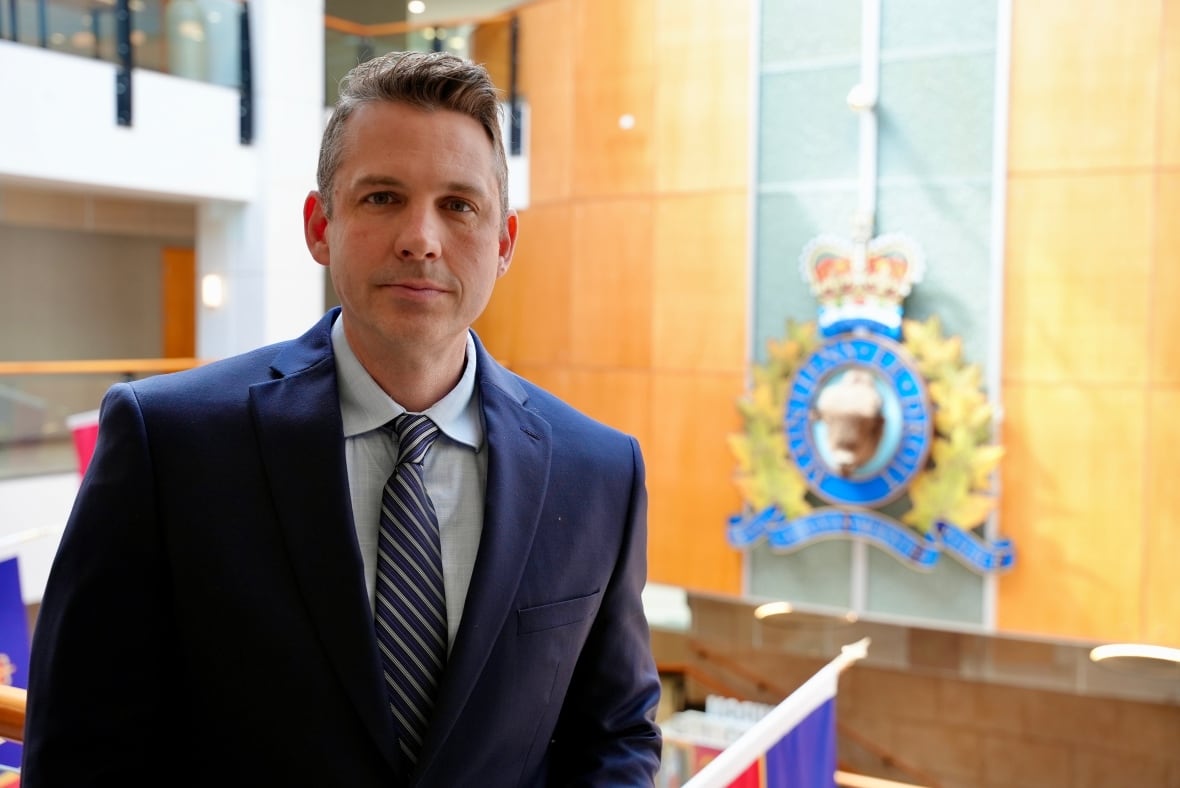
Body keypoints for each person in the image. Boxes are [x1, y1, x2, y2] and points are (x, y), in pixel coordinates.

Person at [22, 51, 662, 786]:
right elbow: (83, 747)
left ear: (504, 243)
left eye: (459, 205)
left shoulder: (599, 472)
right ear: (320, 225)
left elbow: (615, 735)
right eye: (383, 197)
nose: (420, 238)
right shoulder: (168, 443)